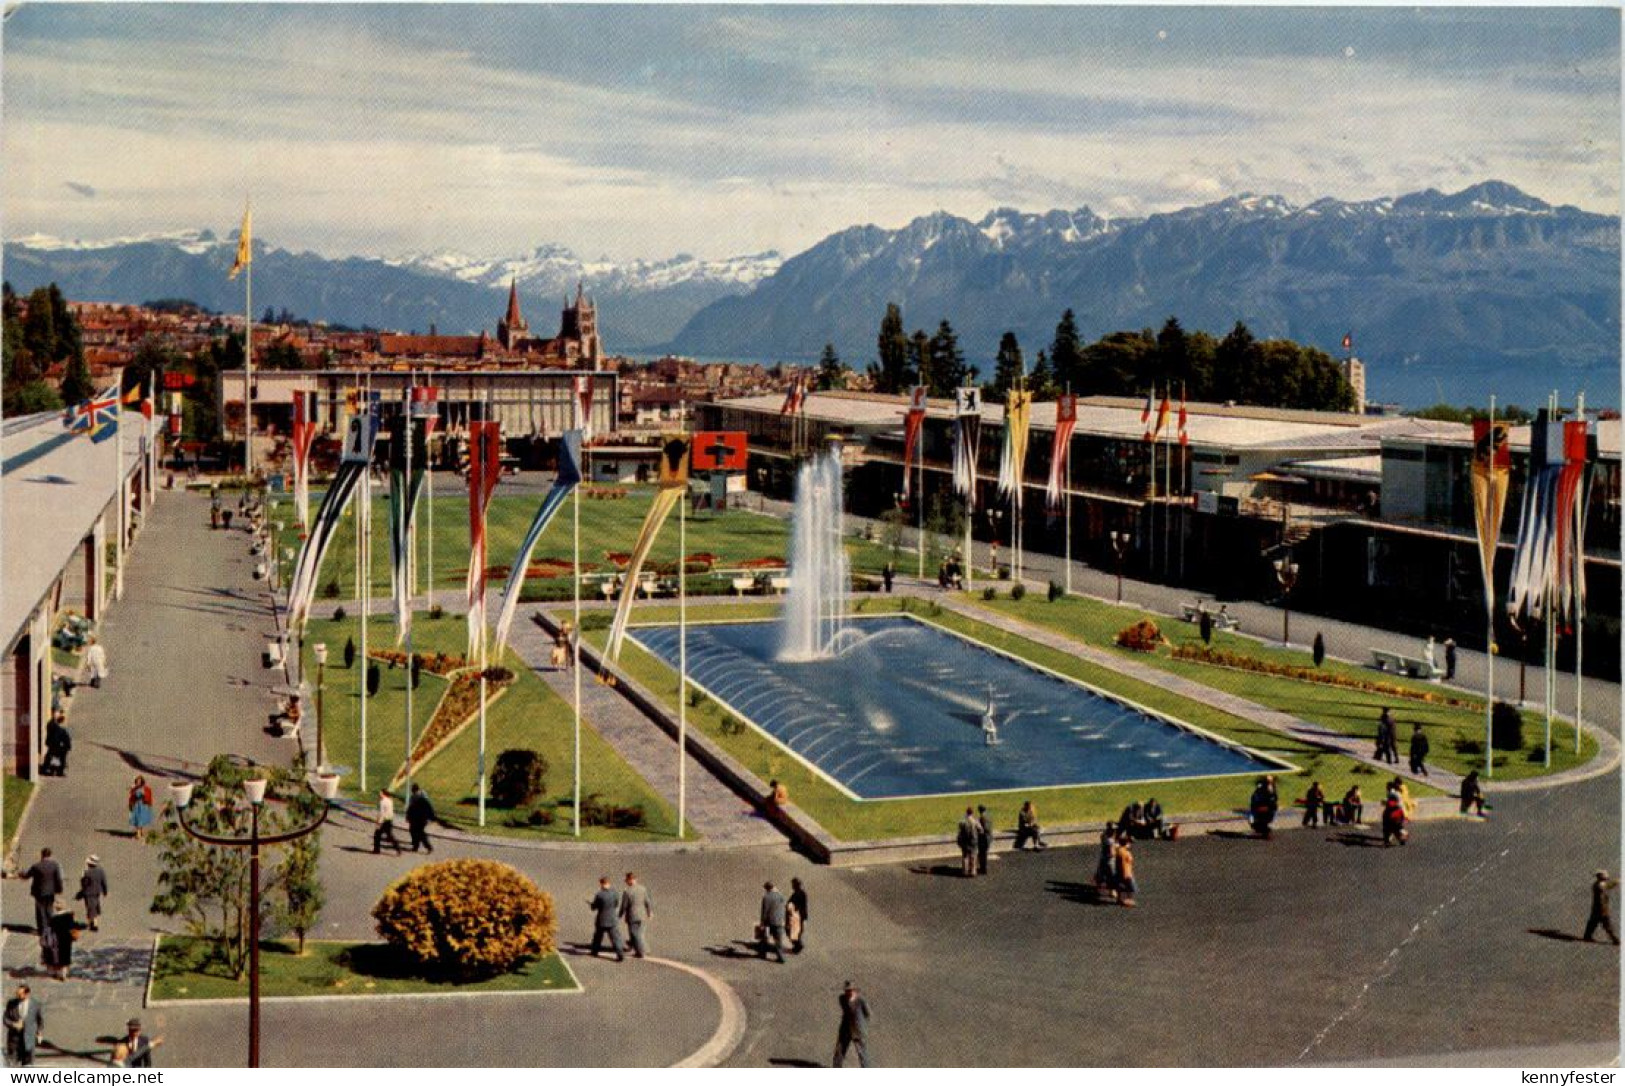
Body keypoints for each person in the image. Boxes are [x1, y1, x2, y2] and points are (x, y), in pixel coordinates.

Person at [18, 848, 64, 934]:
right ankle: (51, 927)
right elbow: (58, 878)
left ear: (42, 855)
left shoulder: (36, 866)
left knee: (40, 910)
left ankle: (42, 929)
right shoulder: (55, 865)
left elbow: (27, 875)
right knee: (49, 909)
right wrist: (59, 889)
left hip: (39, 892)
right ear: (50, 855)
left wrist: (21, 873)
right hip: (50, 891)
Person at [833, 981, 872, 1068]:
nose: (848, 992)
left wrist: (860, 1024)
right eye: (846, 990)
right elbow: (845, 1010)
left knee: (862, 1054)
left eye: (850, 990)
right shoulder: (842, 999)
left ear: (855, 991)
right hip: (845, 1029)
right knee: (839, 1052)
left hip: (858, 1031)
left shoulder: (861, 1001)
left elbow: (867, 1014)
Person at [4, 984, 43, 1066]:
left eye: (20, 994)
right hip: (14, 1041)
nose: (17, 996)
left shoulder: (35, 1004)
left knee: (28, 1066)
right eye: (17, 994)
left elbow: (40, 1020)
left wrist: (39, 1032)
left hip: (28, 1041)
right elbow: (5, 1019)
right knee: (12, 1065)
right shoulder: (11, 1003)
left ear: (27, 994)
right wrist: (13, 1024)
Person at [589, 876, 626, 961]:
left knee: (597, 937)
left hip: (602, 919)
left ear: (602, 884)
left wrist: (592, 905)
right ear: (609, 883)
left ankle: (595, 951)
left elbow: (594, 907)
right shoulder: (615, 893)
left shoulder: (599, 894)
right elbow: (616, 904)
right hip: (612, 919)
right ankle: (620, 954)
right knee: (616, 938)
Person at [619, 872, 652, 959]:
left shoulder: (627, 892)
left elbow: (624, 906)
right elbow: (647, 901)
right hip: (642, 914)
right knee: (640, 933)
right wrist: (649, 912)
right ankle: (637, 948)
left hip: (632, 916)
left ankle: (642, 951)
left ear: (629, 881)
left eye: (627, 880)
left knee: (635, 934)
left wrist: (619, 915)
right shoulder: (643, 889)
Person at [1586, 870, 1621, 945]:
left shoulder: (1597, 884)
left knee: (1592, 923)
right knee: (1607, 925)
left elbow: (1608, 885)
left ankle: (1587, 936)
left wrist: (1616, 882)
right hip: (1602, 910)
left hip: (1596, 909)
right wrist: (1617, 881)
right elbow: (1608, 886)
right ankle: (1615, 940)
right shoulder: (1600, 886)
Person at [758, 881, 788, 963]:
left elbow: (764, 911)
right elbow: (784, 908)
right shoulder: (781, 896)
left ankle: (763, 954)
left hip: (769, 922)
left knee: (764, 939)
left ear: (767, 889)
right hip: (779, 921)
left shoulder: (766, 897)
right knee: (779, 941)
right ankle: (781, 957)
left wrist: (762, 923)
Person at [45, 906, 77, 980]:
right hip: (66, 939)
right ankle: (63, 973)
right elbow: (73, 926)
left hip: (56, 939)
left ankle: (56, 971)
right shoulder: (68, 916)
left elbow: (50, 927)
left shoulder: (53, 917)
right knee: (65, 956)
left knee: (57, 956)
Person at [77, 856, 108, 931]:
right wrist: (105, 891)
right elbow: (104, 882)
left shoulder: (86, 872)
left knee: (90, 908)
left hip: (88, 892)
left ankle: (92, 924)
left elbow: (84, 883)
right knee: (95, 906)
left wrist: (82, 880)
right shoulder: (101, 871)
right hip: (97, 892)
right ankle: (94, 922)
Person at [405, 784, 435, 853]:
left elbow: (428, 807)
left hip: (420, 818)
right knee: (413, 831)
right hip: (416, 818)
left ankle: (428, 847)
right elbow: (410, 808)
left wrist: (430, 817)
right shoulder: (414, 797)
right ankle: (416, 846)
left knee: (420, 833)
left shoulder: (421, 798)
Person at [1093, 823, 1118, 902]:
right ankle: (1112, 891)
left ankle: (1099, 888)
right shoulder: (1110, 840)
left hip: (1103, 858)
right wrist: (1117, 848)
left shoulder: (1103, 835)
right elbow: (1112, 852)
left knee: (1100, 873)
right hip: (1110, 861)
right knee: (1112, 876)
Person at [372, 789, 402, 855]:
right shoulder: (390, 800)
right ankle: (398, 849)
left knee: (377, 835)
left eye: (380, 793)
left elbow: (381, 813)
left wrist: (378, 822)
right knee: (390, 836)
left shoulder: (382, 802)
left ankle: (376, 850)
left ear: (383, 794)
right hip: (389, 820)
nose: (379, 794)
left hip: (384, 821)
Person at [127, 776, 154, 843]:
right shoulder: (134, 788)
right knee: (137, 819)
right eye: (137, 781)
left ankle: (140, 833)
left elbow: (148, 796)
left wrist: (148, 802)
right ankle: (138, 833)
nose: (138, 782)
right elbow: (132, 797)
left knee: (141, 819)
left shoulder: (145, 788)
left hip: (143, 805)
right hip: (137, 805)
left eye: (139, 781)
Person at [956, 807, 980, 878]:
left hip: (965, 842)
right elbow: (980, 829)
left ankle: (965, 871)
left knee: (965, 856)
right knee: (973, 856)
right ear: (972, 813)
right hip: (973, 841)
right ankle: (972, 871)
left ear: (966, 813)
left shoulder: (963, 821)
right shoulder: (975, 821)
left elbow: (959, 829)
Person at [788, 877, 809, 953]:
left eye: (793, 884)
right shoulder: (802, 893)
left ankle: (798, 946)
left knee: (793, 931)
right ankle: (798, 945)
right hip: (801, 915)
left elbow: (793, 905)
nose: (792, 886)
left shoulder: (796, 894)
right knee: (797, 931)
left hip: (796, 916)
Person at [1115, 837, 1137, 907]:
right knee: (1130, 888)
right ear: (1126, 844)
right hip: (1127, 872)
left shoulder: (1118, 851)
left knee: (1120, 886)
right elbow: (1127, 862)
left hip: (1120, 871)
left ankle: (1119, 899)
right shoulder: (1126, 853)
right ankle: (1128, 900)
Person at [976, 805, 994, 875]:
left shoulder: (982, 817)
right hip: (989, 837)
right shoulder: (989, 816)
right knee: (984, 853)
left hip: (984, 838)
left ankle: (983, 868)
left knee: (982, 854)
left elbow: (984, 828)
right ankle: (983, 868)